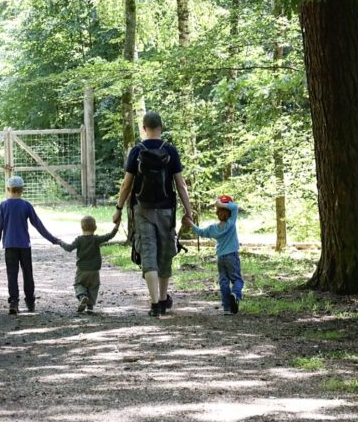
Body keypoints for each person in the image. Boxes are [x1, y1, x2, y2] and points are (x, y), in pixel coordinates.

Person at [112, 111, 194, 317]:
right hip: (166, 210)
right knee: (165, 252)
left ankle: (155, 302)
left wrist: (119, 209)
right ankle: (165, 298)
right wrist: (189, 210)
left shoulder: (136, 151)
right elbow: (181, 185)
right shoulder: (170, 151)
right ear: (161, 127)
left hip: (143, 209)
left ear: (144, 128)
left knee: (148, 252)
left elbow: (126, 185)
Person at [0, 175, 61, 315]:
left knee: (12, 274)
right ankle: (30, 301)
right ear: (22, 189)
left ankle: (13, 302)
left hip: (10, 245)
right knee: (27, 274)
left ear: (8, 189)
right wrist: (53, 239)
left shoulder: (3, 205)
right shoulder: (26, 205)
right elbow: (38, 225)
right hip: (24, 245)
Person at [184, 195, 243, 315]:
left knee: (224, 281)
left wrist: (190, 223)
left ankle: (226, 308)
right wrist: (220, 203)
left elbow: (200, 232)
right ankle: (235, 294)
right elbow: (235, 207)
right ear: (229, 212)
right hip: (232, 256)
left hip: (221, 258)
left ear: (217, 213)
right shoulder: (231, 223)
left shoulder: (213, 229)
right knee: (237, 280)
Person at [58, 215, 119, 313]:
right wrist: (116, 226)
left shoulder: (79, 239)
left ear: (82, 227)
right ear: (95, 228)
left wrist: (60, 242)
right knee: (93, 287)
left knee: (78, 284)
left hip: (82, 269)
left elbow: (69, 248)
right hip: (95, 270)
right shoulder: (96, 239)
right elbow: (110, 235)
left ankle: (83, 296)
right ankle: (90, 307)